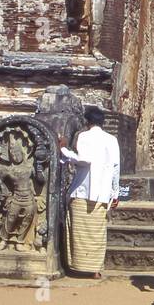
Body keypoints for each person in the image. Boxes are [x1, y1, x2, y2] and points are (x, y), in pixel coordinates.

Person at [60, 106, 120, 278]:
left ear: (87, 121)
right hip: (102, 193)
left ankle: (78, 265)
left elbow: (84, 159)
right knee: (97, 233)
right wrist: (115, 193)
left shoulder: (84, 136)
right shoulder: (111, 139)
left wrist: (64, 150)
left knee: (80, 231)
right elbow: (116, 168)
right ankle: (94, 269)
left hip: (82, 191)